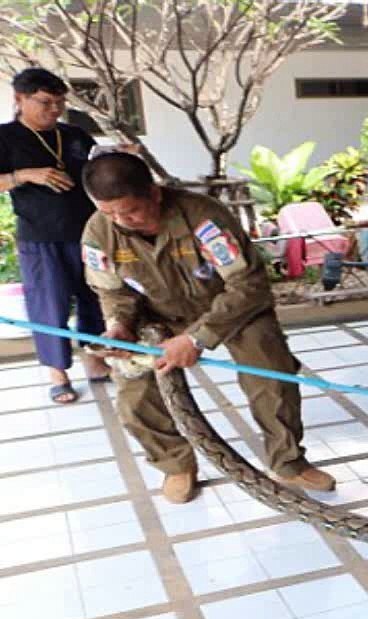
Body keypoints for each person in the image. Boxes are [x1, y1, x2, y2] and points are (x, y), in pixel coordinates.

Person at [80, 151, 335, 504]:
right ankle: (175, 464)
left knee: (271, 374)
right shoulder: (98, 230)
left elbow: (247, 285)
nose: (122, 221)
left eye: (131, 210)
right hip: (155, 315)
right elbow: (111, 290)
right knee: (133, 392)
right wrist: (118, 325)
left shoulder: (204, 218)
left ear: (154, 193)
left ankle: (288, 461)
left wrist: (197, 338)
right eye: (110, 212)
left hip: (231, 308)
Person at [0, 67, 109, 403]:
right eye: (46, 102)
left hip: (88, 231)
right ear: (20, 99)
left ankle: (95, 358)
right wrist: (26, 175)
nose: (54, 109)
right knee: (49, 302)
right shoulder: (5, 138)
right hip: (40, 235)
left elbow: (94, 172)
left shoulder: (74, 134)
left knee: (96, 297)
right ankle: (57, 372)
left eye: (59, 102)